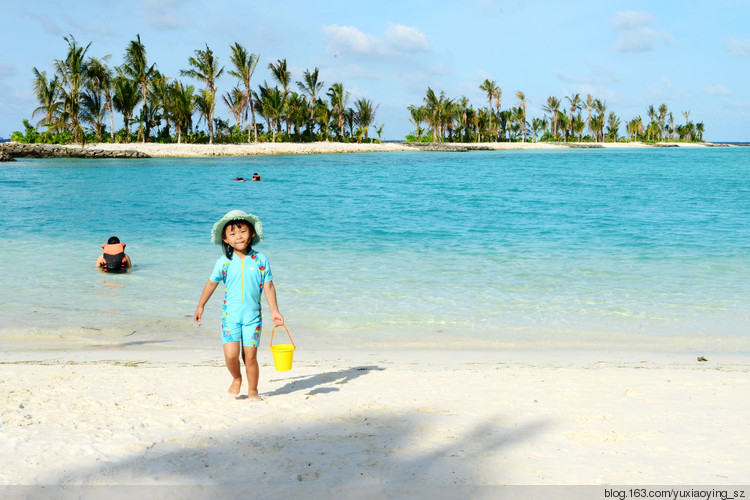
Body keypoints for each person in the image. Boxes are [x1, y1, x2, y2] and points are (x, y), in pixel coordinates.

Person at [194, 210, 284, 400]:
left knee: (250, 357)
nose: (238, 237)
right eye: (232, 234)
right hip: (230, 317)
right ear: (225, 239)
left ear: (251, 233)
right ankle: (236, 378)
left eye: (242, 231)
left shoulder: (260, 260)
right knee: (231, 356)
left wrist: (275, 311)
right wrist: (201, 305)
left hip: (253, 318)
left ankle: (253, 390)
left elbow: (268, 286)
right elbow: (211, 283)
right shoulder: (224, 262)